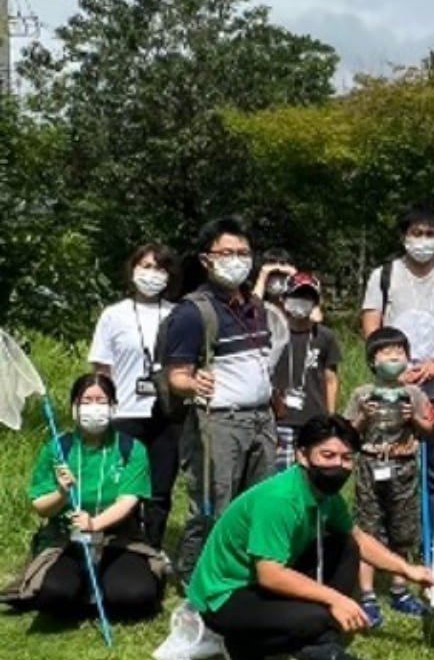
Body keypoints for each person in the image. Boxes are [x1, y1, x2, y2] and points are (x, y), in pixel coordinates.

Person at [185, 414, 434, 660]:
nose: (338, 465)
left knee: (346, 546)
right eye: (327, 455)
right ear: (303, 456)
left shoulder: (324, 494)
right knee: (319, 617)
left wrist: (409, 570)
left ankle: (320, 642)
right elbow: (270, 574)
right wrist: (336, 599)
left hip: (261, 581)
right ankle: (243, 646)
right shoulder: (279, 500)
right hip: (225, 595)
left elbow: (359, 539)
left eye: (346, 458)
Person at [165, 216, 280, 583]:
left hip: (262, 419)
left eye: (243, 252)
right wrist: (192, 384)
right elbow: (176, 375)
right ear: (206, 260)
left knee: (258, 501)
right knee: (214, 502)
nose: (236, 259)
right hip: (218, 422)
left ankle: (242, 570)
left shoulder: (255, 307)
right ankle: (194, 574)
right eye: (226, 252)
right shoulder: (192, 312)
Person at [1, 374, 164, 621]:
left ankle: (102, 586)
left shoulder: (131, 448)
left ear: (113, 406)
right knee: (52, 594)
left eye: (101, 400)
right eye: (86, 400)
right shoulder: (58, 448)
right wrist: (61, 493)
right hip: (66, 537)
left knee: (136, 596)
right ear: (74, 407)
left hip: (117, 537)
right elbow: (41, 507)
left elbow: (128, 500)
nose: (94, 407)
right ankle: (83, 588)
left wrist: (94, 525)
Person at [87, 243, 181, 548]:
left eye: (160, 268)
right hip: (125, 411)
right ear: (133, 270)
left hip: (166, 413)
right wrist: (101, 409)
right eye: (146, 266)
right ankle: (118, 543)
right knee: (121, 486)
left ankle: (152, 548)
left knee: (160, 488)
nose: (152, 274)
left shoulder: (179, 315)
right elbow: (102, 368)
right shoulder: (114, 315)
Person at [343, 328, 434, 626]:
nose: (394, 357)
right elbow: (347, 433)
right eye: (386, 352)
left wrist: (414, 419)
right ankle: (368, 594)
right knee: (368, 528)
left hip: (404, 464)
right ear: (373, 360)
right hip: (371, 463)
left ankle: (400, 589)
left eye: (399, 352)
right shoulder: (362, 394)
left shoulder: (414, 394)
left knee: (403, 528)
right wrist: (363, 417)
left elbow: (427, 431)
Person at [361, 207, 434, 411]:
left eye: (430, 234)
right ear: (404, 237)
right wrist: (391, 368)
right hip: (392, 387)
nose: (423, 239)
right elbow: (371, 325)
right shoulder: (383, 276)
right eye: (417, 233)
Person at [272, 273, 342, 472]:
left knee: (312, 474)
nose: (301, 302)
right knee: (281, 475)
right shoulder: (273, 334)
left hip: (314, 417)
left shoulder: (325, 337)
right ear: (284, 299)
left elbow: (331, 379)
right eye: (296, 296)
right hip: (280, 419)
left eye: (308, 297)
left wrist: (330, 416)